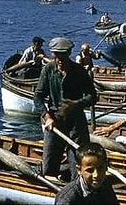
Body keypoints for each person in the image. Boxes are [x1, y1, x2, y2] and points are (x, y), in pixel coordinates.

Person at [34, 37, 97, 181]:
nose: (60, 61)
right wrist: (46, 116)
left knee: (80, 163)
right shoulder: (48, 70)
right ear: (52, 56)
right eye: (56, 57)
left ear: (68, 54)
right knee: (49, 166)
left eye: (63, 57)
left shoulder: (79, 71)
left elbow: (92, 96)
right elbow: (38, 97)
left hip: (76, 123)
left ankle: (77, 188)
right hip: (54, 122)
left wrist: (77, 104)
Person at [54, 142, 119, 205]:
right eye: (90, 170)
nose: (96, 175)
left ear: (106, 166)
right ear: (79, 170)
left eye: (100, 168)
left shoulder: (105, 184)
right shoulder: (67, 198)